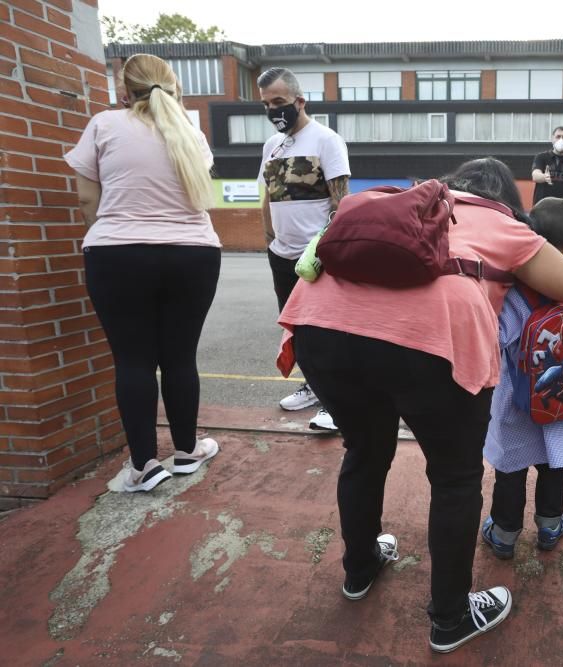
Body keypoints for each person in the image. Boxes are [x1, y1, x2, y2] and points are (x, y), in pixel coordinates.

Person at [275, 158, 563, 653]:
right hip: (430, 345)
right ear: (509, 203)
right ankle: (451, 618)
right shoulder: (504, 226)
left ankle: (360, 568)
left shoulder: (396, 204)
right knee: (454, 479)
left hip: (319, 329)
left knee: (364, 452)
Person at [65, 54, 221, 492]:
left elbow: (84, 200)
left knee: (133, 359)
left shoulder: (104, 124)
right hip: (194, 253)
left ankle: (143, 467)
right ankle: (188, 452)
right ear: (173, 87)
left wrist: (113, 239)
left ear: (122, 90)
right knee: (179, 356)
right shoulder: (191, 132)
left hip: (118, 252)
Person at [480, 197, 563, 560]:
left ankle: (504, 534)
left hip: (519, 398)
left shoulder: (516, 292)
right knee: (552, 464)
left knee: (510, 468)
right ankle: (549, 525)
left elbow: (495, 340)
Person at [258, 67, 351, 431]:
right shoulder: (271, 146)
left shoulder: (327, 140)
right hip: (280, 254)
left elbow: (340, 202)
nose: (273, 110)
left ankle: (336, 401)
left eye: (279, 102)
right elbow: (267, 197)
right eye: (266, 104)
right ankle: (313, 387)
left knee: (326, 331)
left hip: (316, 256)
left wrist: (326, 249)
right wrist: (269, 240)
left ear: (300, 101)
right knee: (295, 330)